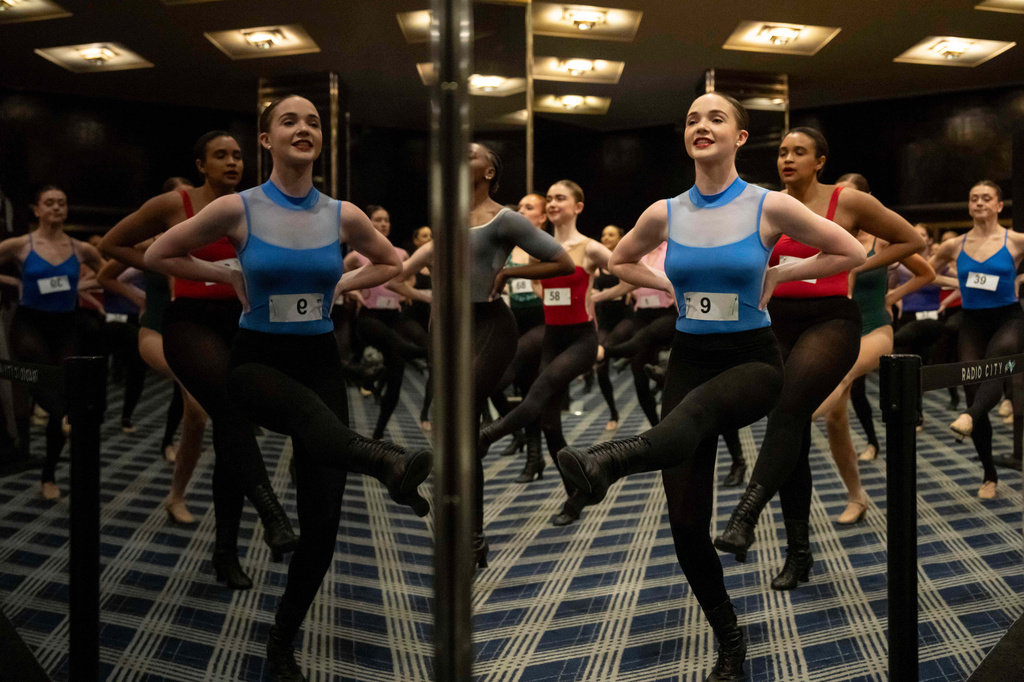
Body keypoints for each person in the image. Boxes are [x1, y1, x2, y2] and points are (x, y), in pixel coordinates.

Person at [554, 93, 865, 681]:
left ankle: (607, 462)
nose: (702, 125)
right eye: (693, 118)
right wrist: (665, 287)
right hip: (690, 357)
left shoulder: (768, 205)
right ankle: (729, 634)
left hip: (752, 360)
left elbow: (848, 250)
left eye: (716, 118)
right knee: (685, 523)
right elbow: (620, 263)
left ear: (740, 138)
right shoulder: (664, 213)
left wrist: (782, 271)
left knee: (693, 414)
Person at [146, 94, 434, 682]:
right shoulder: (238, 208)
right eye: (289, 121)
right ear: (266, 140)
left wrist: (342, 283)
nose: (303, 128)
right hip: (257, 363)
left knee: (323, 523)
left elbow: (392, 265)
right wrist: (225, 272)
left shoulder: (343, 214)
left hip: (318, 361)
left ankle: (283, 638)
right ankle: (377, 459)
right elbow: (159, 252)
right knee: (302, 418)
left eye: (313, 122)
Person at [711, 127, 925, 592]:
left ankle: (747, 511)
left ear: (820, 160)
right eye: (783, 152)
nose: (787, 159)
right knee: (791, 428)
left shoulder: (848, 201)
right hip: (775, 321)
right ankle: (799, 552)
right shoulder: (768, 204)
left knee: (789, 408)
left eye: (799, 152)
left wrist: (852, 264)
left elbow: (910, 241)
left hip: (831, 321)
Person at [100, 131, 295, 588]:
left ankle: (225, 551)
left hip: (242, 322)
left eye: (237, 155)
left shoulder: (252, 206)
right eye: (220, 155)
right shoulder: (175, 203)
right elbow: (112, 245)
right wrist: (172, 267)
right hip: (188, 323)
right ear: (201, 164)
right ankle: (268, 508)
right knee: (225, 411)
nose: (232, 162)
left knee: (229, 427)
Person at [389, 142, 572, 568]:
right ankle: (471, 535)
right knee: (462, 432)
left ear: (489, 171)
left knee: (461, 416)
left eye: (470, 153)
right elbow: (419, 271)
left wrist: (509, 271)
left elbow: (562, 263)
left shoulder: (505, 218)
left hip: (490, 325)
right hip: (448, 329)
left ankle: (468, 532)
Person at [477, 179, 615, 527]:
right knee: (551, 425)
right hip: (552, 337)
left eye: (560, 198)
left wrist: (600, 297)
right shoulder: (540, 248)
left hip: (582, 340)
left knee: (539, 390)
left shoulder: (590, 248)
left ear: (578, 206)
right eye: (549, 198)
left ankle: (489, 434)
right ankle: (576, 495)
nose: (552, 203)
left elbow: (627, 270)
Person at [812, 210, 934, 524]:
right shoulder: (828, 238)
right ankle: (857, 496)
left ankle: (794, 414)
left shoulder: (882, 242)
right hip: (837, 330)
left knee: (843, 374)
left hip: (875, 328)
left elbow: (926, 273)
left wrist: (891, 297)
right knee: (836, 419)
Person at [0, 186, 105, 499]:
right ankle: (58, 424)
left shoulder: (81, 248)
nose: (57, 208)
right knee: (55, 396)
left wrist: (83, 284)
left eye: (62, 203)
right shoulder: (22, 244)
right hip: (29, 325)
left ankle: (48, 475)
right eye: (50, 203)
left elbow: (111, 274)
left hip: (65, 327)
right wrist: (13, 282)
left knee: (64, 400)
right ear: (36, 209)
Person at [929, 180, 1024, 498]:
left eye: (986, 198)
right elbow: (926, 272)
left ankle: (968, 417)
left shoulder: (1016, 241)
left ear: (999, 206)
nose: (979, 203)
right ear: (969, 206)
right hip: (972, 322)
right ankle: (989, 474)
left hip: (1008, 318)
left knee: (997, 366)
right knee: (973, 385)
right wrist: (952, 279)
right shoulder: (953, 245)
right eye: (974, 199)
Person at [343, 205, 426, 440]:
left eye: (386, 220)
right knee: (401, 346)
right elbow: (340, 274)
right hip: (369, 317)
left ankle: (378, 433)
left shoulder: (400, 254)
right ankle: (423, 353)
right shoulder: (357, 254)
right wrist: (352, 292)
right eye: (378, 220)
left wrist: (406, 291)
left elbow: (408, 277)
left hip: (394, 318)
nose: (383, 224)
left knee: (396, 375)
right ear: (368, 223)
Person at [592, 224, 634, 431]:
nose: (605, 238)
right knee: (600, 365)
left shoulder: (625, 259)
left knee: (604, 349)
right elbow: (589, 288)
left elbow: (633, 283)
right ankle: (613, 412)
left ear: (620, 238)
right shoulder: (597, 263)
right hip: (605, 319)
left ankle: (624, 358)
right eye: (603, 234)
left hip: (625, 317)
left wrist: (629, 290)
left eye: (611, 235)